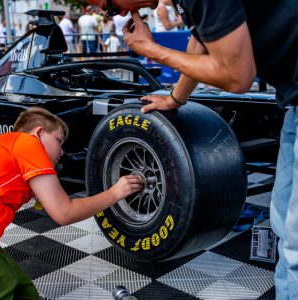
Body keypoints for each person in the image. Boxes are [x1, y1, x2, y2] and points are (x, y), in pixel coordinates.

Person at [87, 0, 298, 299]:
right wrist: (175, 98)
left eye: (109, 6)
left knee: (296, 242)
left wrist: (151, 49)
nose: (119, 14)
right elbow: (201, 40)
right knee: (283, 225)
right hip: (294, 101)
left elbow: (237, 76)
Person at [0, 107, 142, 300]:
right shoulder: (28, 144)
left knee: (25, 293)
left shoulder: (0, 147)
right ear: (38, 132)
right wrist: (115, 192)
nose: (62, 151)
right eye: (59, 140)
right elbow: (64, 213)